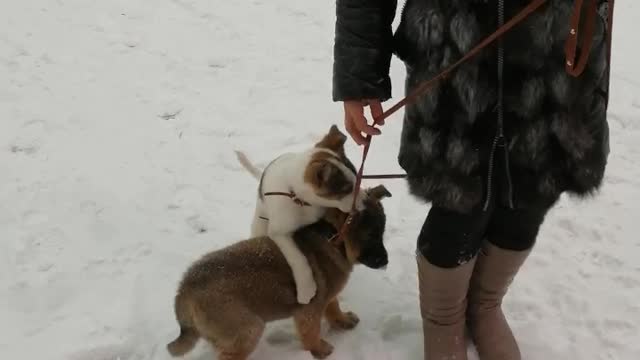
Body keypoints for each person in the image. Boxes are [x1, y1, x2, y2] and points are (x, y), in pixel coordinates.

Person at [332, 1, 612, 359]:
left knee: (533, 192)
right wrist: (359, 77)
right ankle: (444, 320)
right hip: (454, 61)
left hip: (559, 55)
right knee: (457, 203)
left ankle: (485, 306)